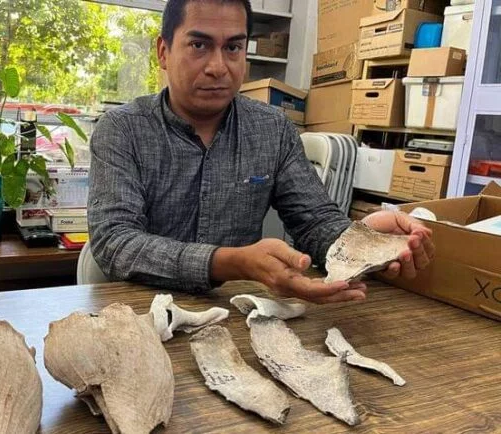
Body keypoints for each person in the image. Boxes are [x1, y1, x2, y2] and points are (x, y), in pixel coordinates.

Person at [87, 0, 434, 303]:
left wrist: (364, 239)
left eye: (233, 47)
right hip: (138, 314)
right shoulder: (122, 129)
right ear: (163, 51)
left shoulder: (272, 129)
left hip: (237, 311)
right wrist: (230, 263)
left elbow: (315, 221)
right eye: (198, 45)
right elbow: (115, 243)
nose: (218, 67)